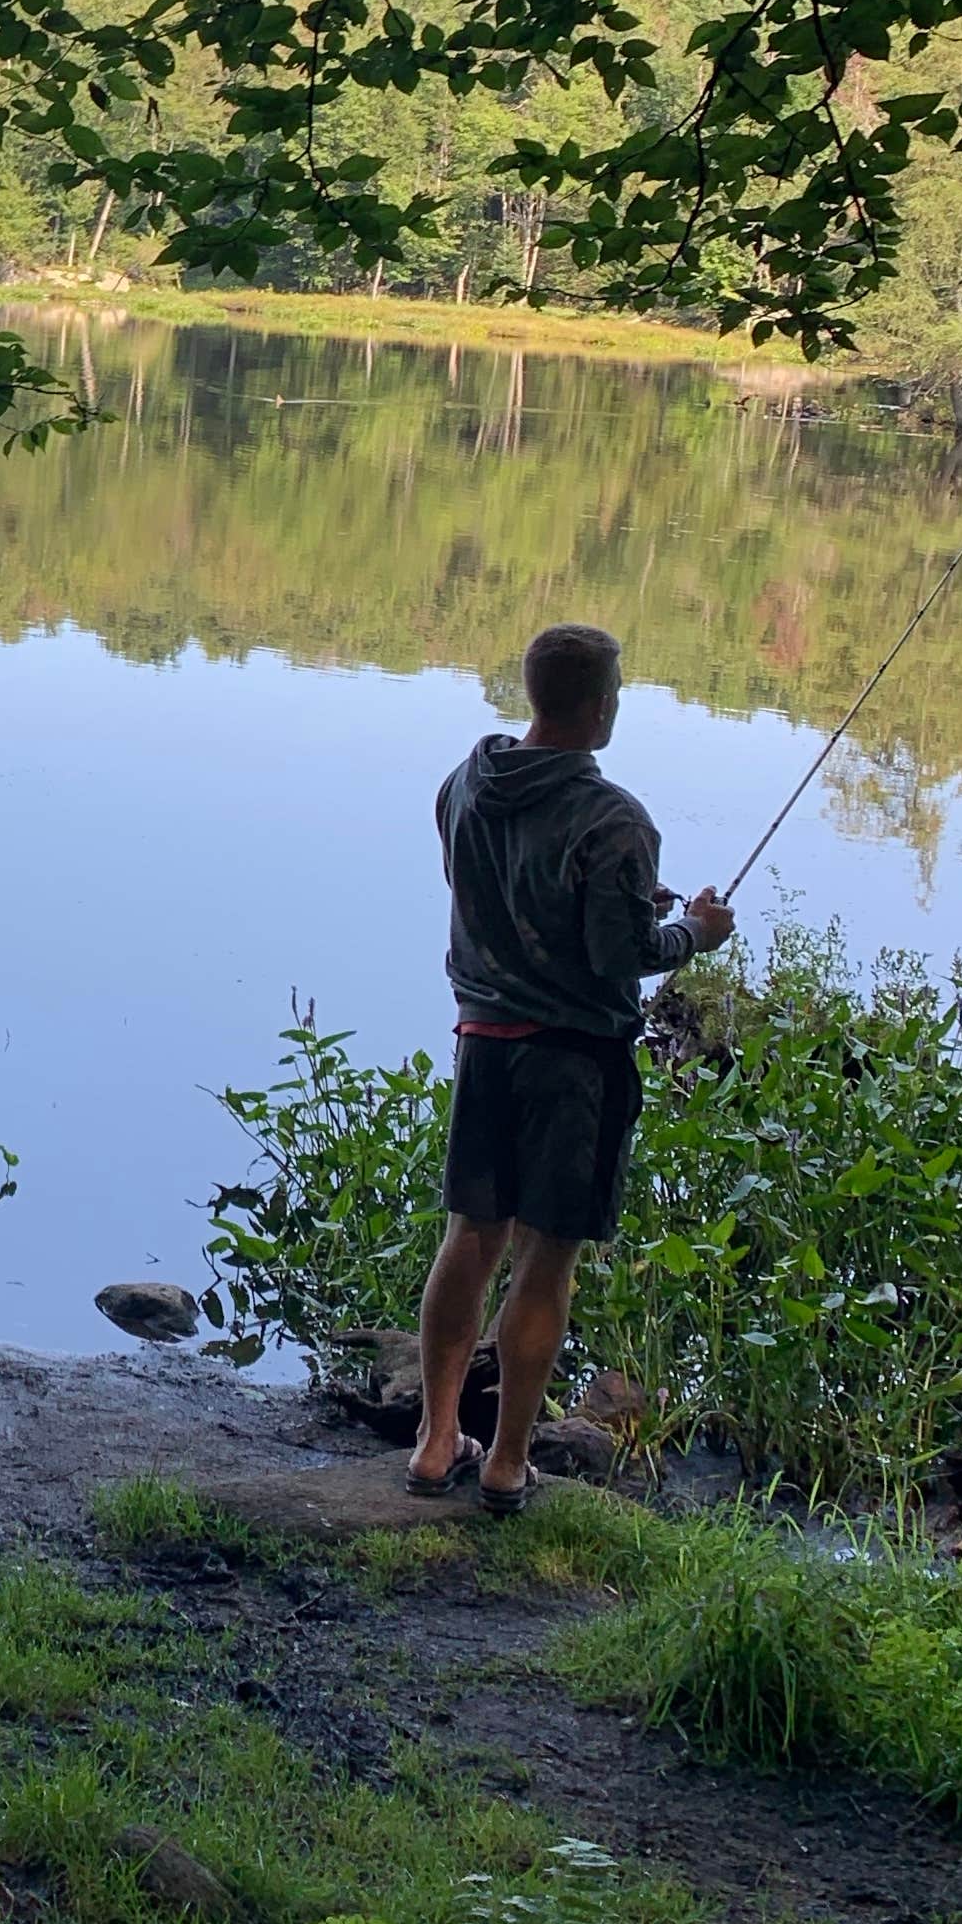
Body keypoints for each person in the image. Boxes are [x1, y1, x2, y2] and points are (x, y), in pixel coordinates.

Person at [410, 622, 732, 1513]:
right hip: (572, 1066)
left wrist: (621, 899)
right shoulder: (615, 817)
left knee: (469, 1238)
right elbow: (616, 956)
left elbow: (493, 893)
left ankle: (436, 1443)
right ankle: (508, 1462)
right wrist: (692, 935)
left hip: (483, 1043)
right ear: (598, 707)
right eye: (616, 695)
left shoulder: (467, 783)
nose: (617, 707)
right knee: (547, 1257)